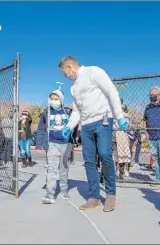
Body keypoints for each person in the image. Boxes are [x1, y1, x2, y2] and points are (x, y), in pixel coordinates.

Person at [59, 56, 127, 212]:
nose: (66, 76)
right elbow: (77, 110)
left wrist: (119, 115)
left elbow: (111, 91)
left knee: (104, 154)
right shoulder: (73, 87)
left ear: (70, 67)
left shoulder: (93, 71)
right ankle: (94, 197)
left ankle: (110, 195)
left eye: (65, 73)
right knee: (89, 161)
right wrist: (69, 126)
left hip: (103, 120)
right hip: (87, 125)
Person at [41, 90, 73, 204]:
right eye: (52, 99)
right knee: (52, 169)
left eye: (56, 99)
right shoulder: (46, 112)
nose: (54, 101)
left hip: (66, 143)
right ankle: (50, 194)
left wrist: (73, 138)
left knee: (63, 168)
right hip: (52, 143)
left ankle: (64, 189)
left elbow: (75, 124)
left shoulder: (68, 112)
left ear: (61, 100)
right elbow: (41, 127)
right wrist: (41, 143)